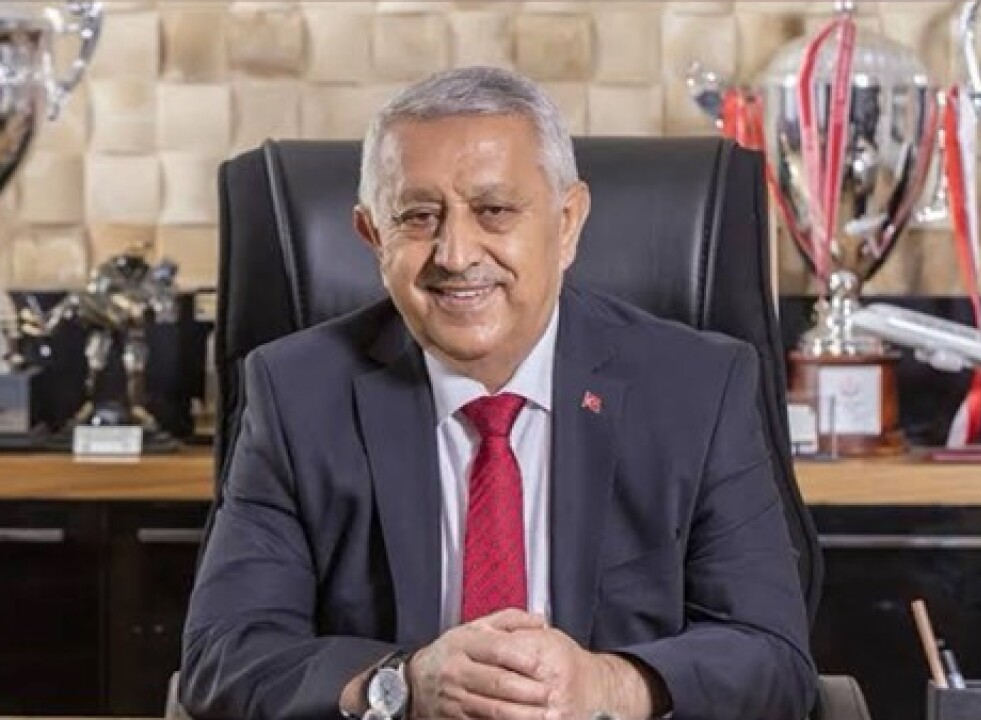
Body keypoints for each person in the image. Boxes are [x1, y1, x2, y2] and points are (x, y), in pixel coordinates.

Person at [180, 65, 817, 720]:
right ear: (373, 236)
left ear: (567, 223)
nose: (456, 254)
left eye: (494, 211)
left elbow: (772, 658)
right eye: (418, 217)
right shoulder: (296, 394)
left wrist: (605, 685)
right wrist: (400, 685)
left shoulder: (697, 388)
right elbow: (224, 657)